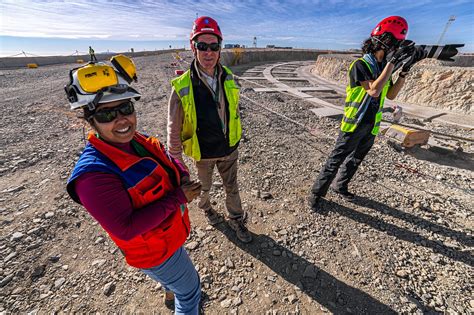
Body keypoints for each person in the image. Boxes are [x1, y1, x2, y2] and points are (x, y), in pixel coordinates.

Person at [65, 56, 202, 314]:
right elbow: (126, 229)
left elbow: (165, 157)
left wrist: (181, 174)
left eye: (126, 108)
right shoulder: (93, 177)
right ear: (89, 120)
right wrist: (178, 197)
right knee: (191, 291)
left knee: (175, 283)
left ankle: (169, 292)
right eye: (107, 113)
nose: (121, 120)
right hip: (157, 252)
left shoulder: (133, 140)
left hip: (168, 237)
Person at [308, 16, 424, 209]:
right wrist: (392, 64)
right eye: (395, 45)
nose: (396, 50)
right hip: (354, 123)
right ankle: (316, 193)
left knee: (355, 159)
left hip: (371, 124)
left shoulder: (382, 68)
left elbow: (392, 95)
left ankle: (340, 186)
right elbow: (374, 91)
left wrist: (404, 71)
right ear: (385, 42)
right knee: (336, 159)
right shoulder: (361, 65)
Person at [167, 16, 252, 243]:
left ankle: (236, 219)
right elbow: (173, 129)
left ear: (219, 48)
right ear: (193, 47)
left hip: (229, 149)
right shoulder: (182, 86)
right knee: (203, 188)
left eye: (213, 46)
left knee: (232, 188)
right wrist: (177, 160)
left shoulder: (229, 78)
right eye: (202, 46)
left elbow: (232, 112)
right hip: (203, 153)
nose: (208, 52)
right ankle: (206, 208)